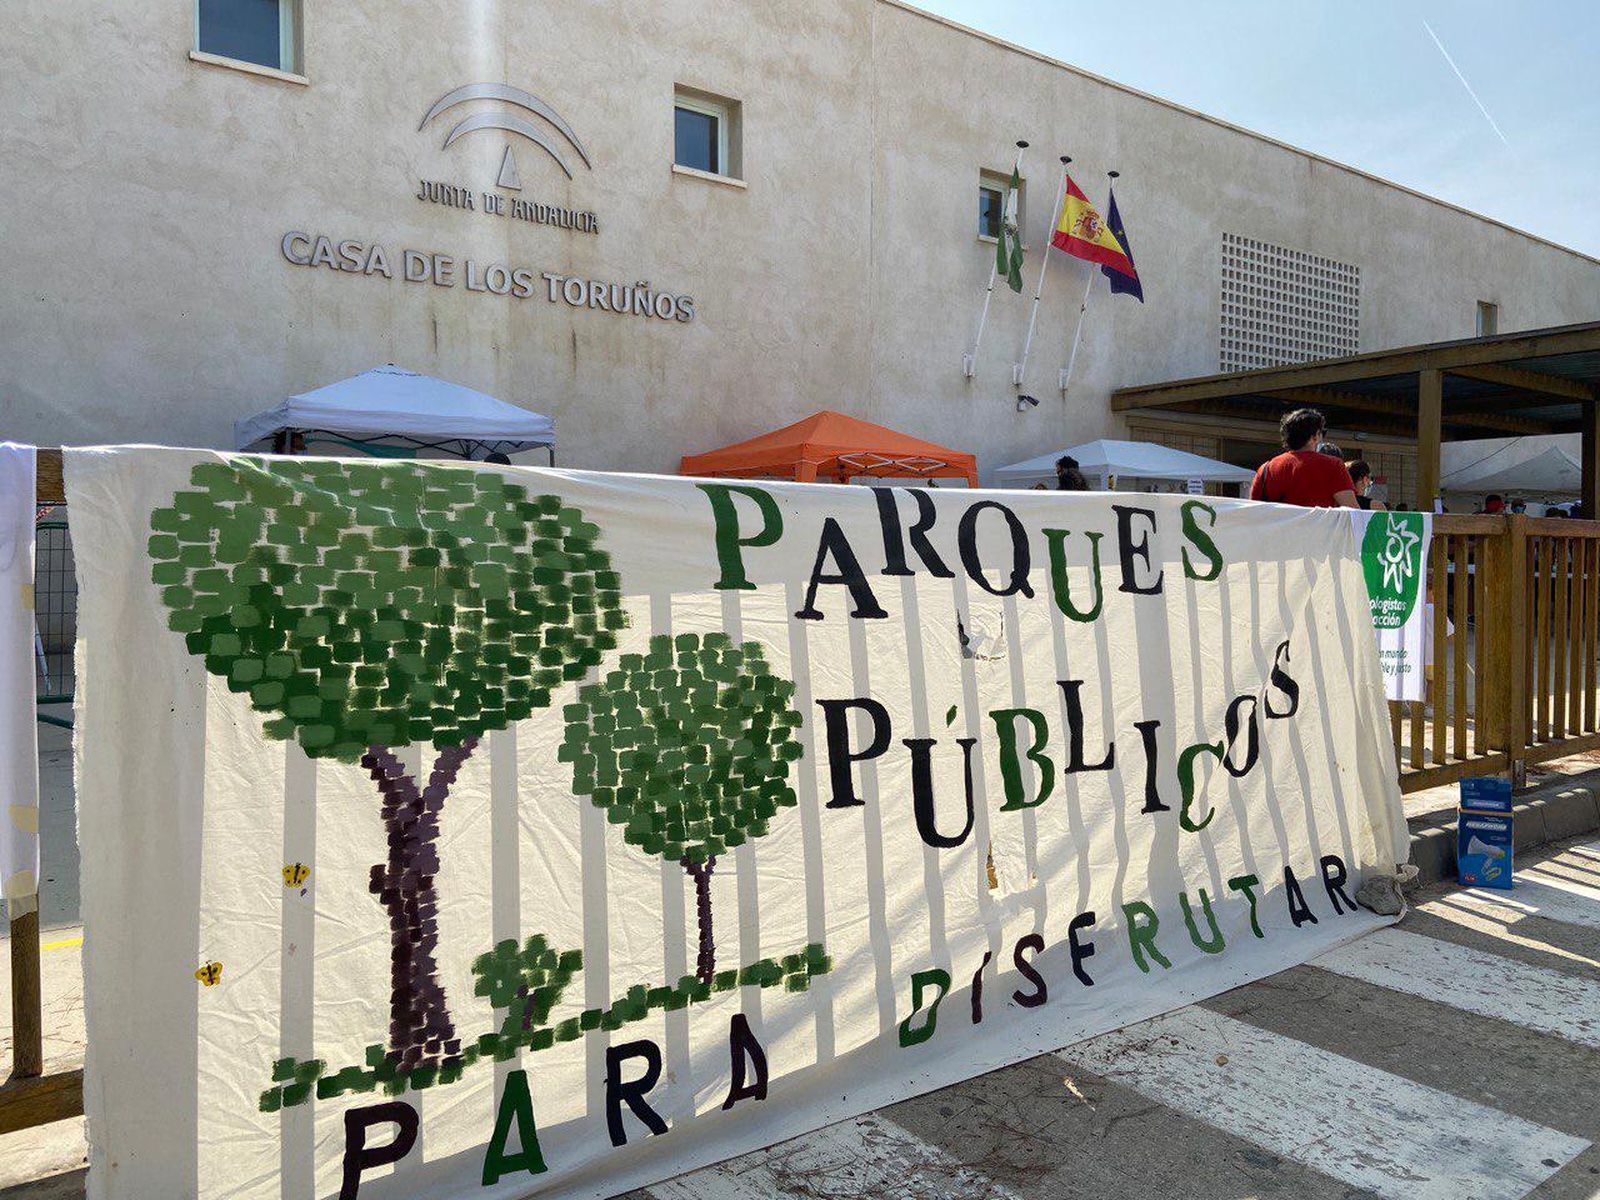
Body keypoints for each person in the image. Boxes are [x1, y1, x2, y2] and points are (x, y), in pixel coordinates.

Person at [1249, 409, 1358, 507]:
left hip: (1278, 529)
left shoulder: (1266, 469)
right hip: (1318, 529)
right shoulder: (1333, 465)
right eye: (1321, 433)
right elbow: (1352, 511)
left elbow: (1254, 510)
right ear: (1315, 436)